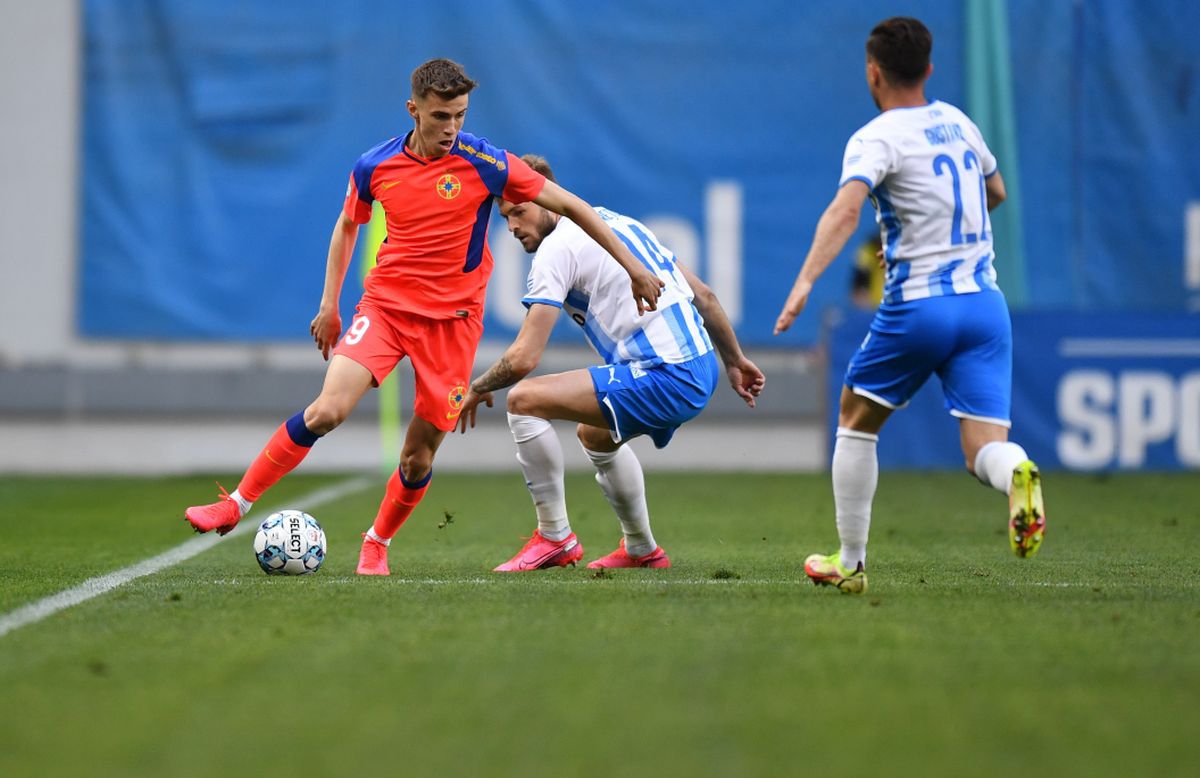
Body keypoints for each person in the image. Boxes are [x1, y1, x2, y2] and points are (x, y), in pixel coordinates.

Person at [183, 58, 665, 578]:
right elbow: (347, 225)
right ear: (413, 110)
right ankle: (236, 503)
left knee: (418, 457)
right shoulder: (374, 166)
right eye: (440, 116)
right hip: (386, 309)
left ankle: (376, 543)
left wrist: (634, 267)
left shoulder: (485, 161)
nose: (451, 127)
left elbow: (572, 206)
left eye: (460, 115)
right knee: (327, 410)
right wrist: (329, 304)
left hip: (452, 326)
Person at [773, 17, 1045, 595]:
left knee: (855, 418)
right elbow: (995, 192)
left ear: (874, 72)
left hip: (921, 306)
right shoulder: (960, 124)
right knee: (984, 449)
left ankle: (850, 562)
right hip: (984, 305)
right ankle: (1017, 472)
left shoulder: (876, 137)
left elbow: (846, 211)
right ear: (929, 68)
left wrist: (804, 281)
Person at [457, 154, 764, 571]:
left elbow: (525, 357)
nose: (511, 226)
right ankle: (641, 549)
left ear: (546, 199)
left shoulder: (556, 249)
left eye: (519, 212)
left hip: (666, 373)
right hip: (699, 365)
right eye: (506, 217)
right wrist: (734, 360)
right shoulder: (618, 223)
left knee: (522, 400)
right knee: (596, 435)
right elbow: (705, 296)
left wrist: (477, 387)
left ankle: (554, 537)